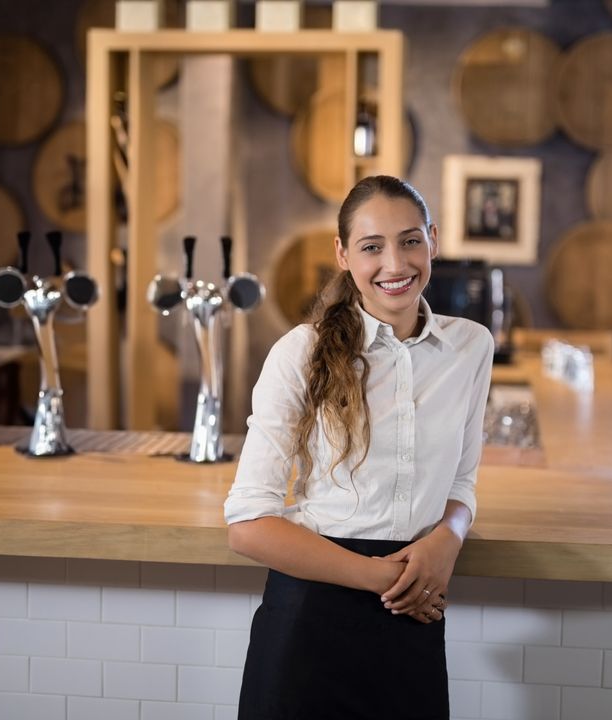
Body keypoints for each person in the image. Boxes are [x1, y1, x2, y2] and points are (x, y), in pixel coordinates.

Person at [224, 175, 495, 720]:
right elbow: (248, 524)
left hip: (413, 615)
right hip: (313, 617)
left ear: (434, 241)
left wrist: (449, 537)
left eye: (410, 240)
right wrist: (385, 579)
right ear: (343, 255)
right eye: (372, 247)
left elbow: (461, 481)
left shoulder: (471, 347)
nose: (395, 264)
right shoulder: (298, 353)